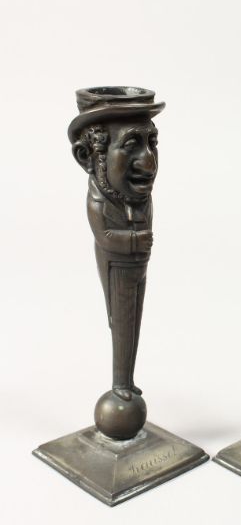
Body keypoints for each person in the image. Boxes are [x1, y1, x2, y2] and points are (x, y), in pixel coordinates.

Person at [68, 87, 165, 402]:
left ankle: (126, 381)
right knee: (121, 320)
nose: (148, 163)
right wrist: (136, 239)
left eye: (152, 143)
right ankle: (121, 382)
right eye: (131, 145)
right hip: (118, 269)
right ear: (88, 156)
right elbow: (106, 236)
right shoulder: (99, 202)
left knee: (133, 319)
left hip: (137, 267)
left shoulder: (138, 198)